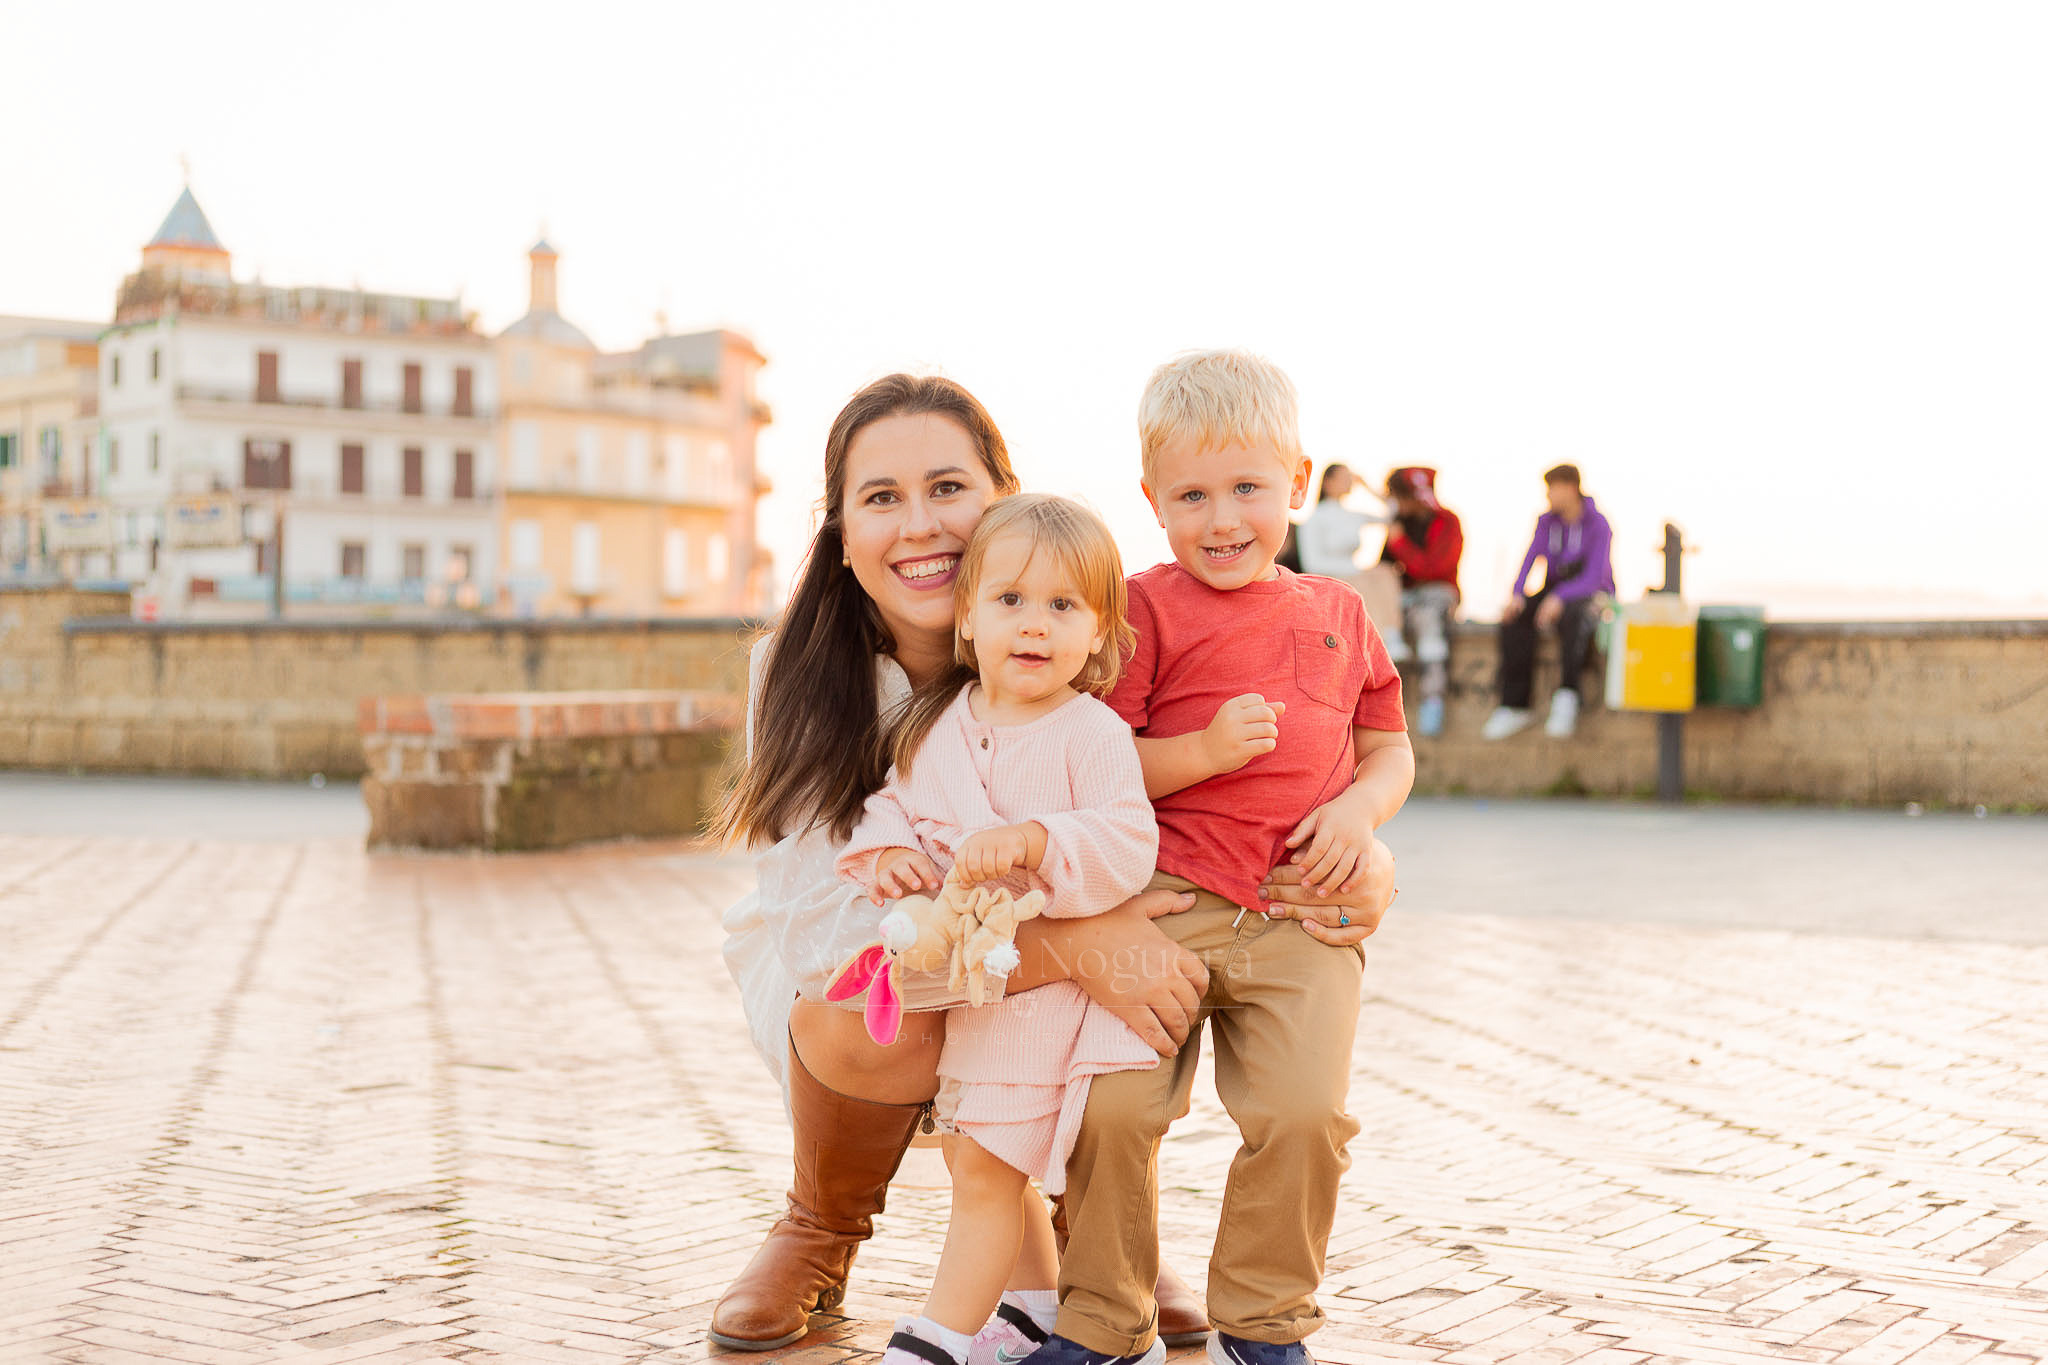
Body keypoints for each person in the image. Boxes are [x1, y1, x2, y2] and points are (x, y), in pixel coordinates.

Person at [711, 374, 1398, 1352]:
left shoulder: (1067, 633)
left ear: (1002, 494)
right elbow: (831, 926)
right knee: (862, 1018)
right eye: (880, 499)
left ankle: (1093, 1232)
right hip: (880, 959)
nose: (920, 526)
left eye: (948, 488)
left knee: (1126, 1005)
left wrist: (1362, 845)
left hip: (1046, 937)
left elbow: (1231, 785)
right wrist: (1072, 944)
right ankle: (822, 1221)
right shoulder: (795, 669)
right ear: (839, 528)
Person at [1041, 351, 1416, 1365]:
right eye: (1191, 495)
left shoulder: (1338, 614)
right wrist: (1203, 754)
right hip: (1162, 905)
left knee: (1302, 1116)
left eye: (1246, 489)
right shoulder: (1141, 609)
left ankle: (1263, 1318)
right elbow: (1099, 765)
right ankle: (1099, 1320)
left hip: (1299, 916)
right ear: (1151, 501)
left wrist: (1360, 814)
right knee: (1112, 1113)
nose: (1220, 519)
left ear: (1295, 483)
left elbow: (1388, 745)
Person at [839, 494, 1162, 1365]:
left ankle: (936, 1339)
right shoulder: (935, 723)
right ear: (969, 615)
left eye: (1064, 606)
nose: (1035, 624)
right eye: (1011, 600)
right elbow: (888, 804)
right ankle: (1027, 1305)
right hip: (977, 999)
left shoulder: (1090, 731)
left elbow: (1130, 839)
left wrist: (1043, 840)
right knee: (972, 1154)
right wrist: (891, 854)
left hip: (1049, 1000)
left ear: (1098, 632)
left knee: (986, 1169)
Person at [1482, 463, 1615, 741]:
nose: (1549, 496)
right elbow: (1530, 558)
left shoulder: (1598, 524)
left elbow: (1594, 577)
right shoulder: (1546, 522)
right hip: (1553, 588)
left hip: (1589, 592)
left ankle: (1568, 696)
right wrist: (1517, 595)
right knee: (1516, 619)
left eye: (1552, 489)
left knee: (1574, 618)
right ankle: (1515, 705)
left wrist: (1559, 598)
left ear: (1569, 488)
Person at [1379, 467, 1463, 737]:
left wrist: (1400, 542)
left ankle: (1432, 701)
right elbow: (1384, 568)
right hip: (1407, 597)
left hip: (1438, 593)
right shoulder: (1398, 522)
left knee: (1428, 624)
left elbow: (1435, 568)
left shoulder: (1447, 522)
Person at [1292, 463, 1401, 651]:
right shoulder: (1315, 518)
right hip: (1332, 577)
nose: (1348, 482)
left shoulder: (1352, 515)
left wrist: (1368, 488)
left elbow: (1393, 514)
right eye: (1343, 477)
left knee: (1385, 573)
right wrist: (1356, 572)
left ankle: (1391, 636)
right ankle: (1380, 640)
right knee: (1368, 582)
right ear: (1328, 482)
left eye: (1350, 477)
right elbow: (1313, 564)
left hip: (1356, 574)